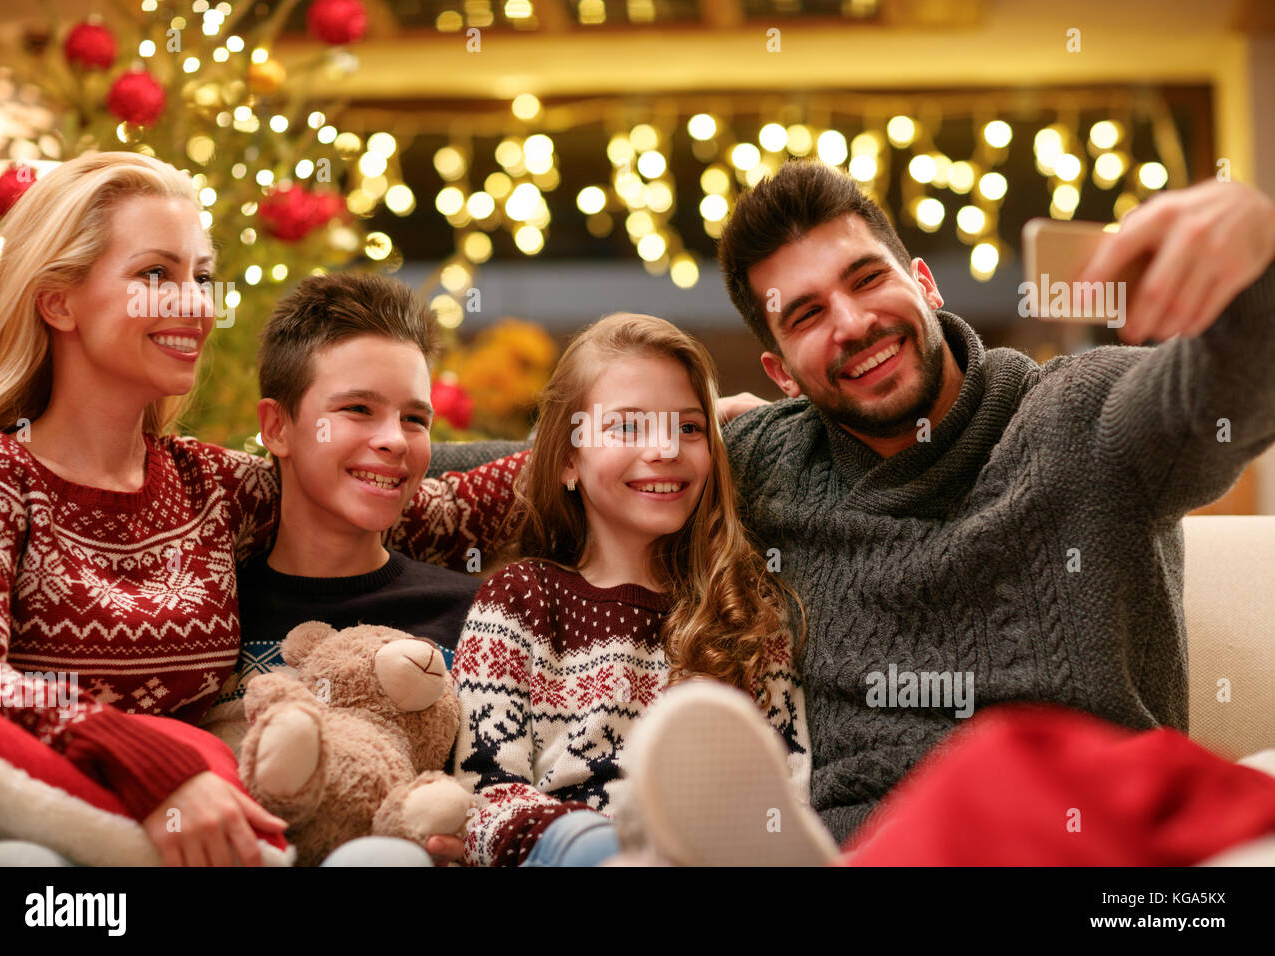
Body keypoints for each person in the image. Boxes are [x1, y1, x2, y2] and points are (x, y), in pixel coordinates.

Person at [428, 161, 1275, 847]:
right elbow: (536, 465)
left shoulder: (1089, 422)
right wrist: (326, 467)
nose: (852, 322)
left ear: (924, 281)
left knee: (997, 776)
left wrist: (1259, 249)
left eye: (866, 279)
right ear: (780, 372)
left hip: (1076, 842)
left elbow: (1237, 382)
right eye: (804, 315)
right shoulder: (753, 465)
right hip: (842, 851)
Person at [0, 152, 523, 866]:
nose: (196, 305)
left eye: (201, 278)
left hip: (199, 838)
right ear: (58, 302)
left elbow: (436, 501)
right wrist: (159, 765)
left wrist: (645, 422)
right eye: (155, 275)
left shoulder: (208, 486)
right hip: (39, 826)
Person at [450, 313, 816, 866]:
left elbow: (785, 799)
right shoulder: (519, 598)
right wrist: (594, 842)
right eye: (629, 427)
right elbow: (484, 794)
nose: (666, 449)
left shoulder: (749, 612)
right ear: (568, 460)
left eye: (689, 428)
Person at [199, 272, 483, 866]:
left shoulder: (473, 612)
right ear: (277, 427)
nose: (395, 441)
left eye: (415, 418)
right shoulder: (205, 615)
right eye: (358, 409)